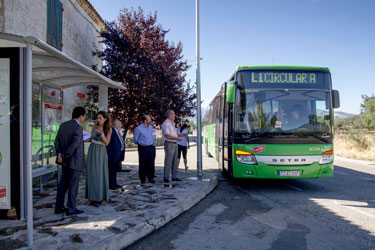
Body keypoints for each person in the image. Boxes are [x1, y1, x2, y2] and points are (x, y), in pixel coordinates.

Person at [54, 106, 86, 216]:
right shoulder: (78, 128)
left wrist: (60, 154)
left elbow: (56, 142)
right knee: (73, 186)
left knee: (62, 185)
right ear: (81, 116)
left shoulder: (63, 125)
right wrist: (65, 155)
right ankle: (71, 208)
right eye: (83, 116)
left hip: (64, 161)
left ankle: (59, 206)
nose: (83, 118)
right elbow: (74, 145)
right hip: (74, 161)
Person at [86, 111, 112, 206]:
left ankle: (102, 197)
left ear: (105, 118)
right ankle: (91, 197)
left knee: (100, 173)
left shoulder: (108, 129)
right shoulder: (94, 126)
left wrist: (102, 134)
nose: (98, 120)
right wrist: (83, 139)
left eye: (100, 118)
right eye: (97, 118)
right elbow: (91, 138)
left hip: (101, 151)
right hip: (92, 150)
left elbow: (107, 143)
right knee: (91, 173)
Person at [133, 115, 156, 184]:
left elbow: (153, 136)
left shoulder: (150, 127)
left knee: (151, 163)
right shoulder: (138, 128)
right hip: (143, 148)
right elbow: (135, 139)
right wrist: (140, 143)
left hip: (151, 147)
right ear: (145, 120)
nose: (150, 120)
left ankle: (150, 178)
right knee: (143, 163)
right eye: (149, 119)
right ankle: (142, 178)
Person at [162, 110, 183, 183]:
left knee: (175, 161)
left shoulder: (172, 124)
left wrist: (179, 136)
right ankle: (166, 177)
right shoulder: (166, 124)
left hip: (174, 143)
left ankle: (174, 176)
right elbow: (168, 136)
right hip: (169, 144)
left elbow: (173, 134)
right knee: (168, 161)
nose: (175, 116)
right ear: (170, 115)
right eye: (174, 114)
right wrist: (177, 138)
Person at [106, 119, 125, 190]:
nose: (121, 125)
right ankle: (112, 184)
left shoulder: (118, 132)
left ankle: (114, 183)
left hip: (118, 154)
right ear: (116, 124)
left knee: (114, 170)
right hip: (112, 154)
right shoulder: (112, 131)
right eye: (119, 123)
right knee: (112, 170)